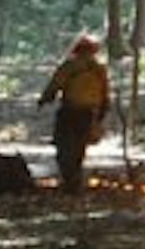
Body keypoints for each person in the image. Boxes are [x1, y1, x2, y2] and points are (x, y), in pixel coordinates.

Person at [38, 34, 111, 193]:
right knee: (79, 148)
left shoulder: (70, 66)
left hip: (70, 111)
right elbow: (105, 93)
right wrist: (101, 114)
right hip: (89, 113)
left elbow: (55, 84)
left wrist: (45, 99)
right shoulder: (99, 69)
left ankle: (69, 179)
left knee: (63, 146)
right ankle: (74, 180)